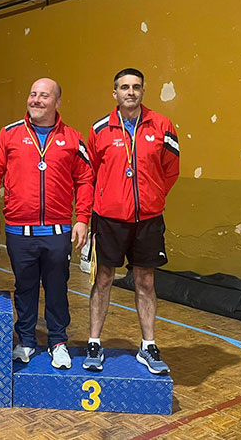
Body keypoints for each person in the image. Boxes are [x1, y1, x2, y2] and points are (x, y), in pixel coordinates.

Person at [0, 78, 94, 369]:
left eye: (44, 96)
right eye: (33, 94)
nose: (36, 100)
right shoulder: (9, 134)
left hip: (58, 231)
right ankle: (27, 340)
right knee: (25, 288)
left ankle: (58, 341)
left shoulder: (73, 138)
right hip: (19, 231)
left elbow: (85, 180)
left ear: (57, 103)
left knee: (57, 288)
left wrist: (82, 219)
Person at [83, 68, 179, 375]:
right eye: (124, 87)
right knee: (103, 279)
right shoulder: (99, 129)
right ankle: (94, 342)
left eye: (136, 87)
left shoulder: (162, 125)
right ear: (115, 93)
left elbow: (171, 169)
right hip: (109, 220)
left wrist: (152, 197)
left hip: (148, 220)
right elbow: (90, 174)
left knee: (145, 282)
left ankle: (148, 345)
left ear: (143, 91)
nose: (131, 92)